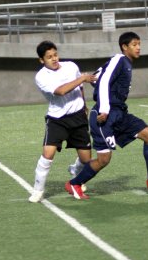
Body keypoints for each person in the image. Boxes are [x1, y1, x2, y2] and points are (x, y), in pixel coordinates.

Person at [65, 31, 148, 200]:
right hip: (105, 116)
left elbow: (96, 78)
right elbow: (102, 82)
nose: (138, 48)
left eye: (139, 44)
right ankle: (74, 183)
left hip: (120, 113)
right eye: (134, 45)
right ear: (124, 47)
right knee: (104, 160)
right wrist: (104, 108)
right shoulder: (119, 60)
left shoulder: (124, 63)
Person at [29, 41, 97, 202]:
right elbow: (60, 91)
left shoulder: (71, 66)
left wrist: (84, 104)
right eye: (49, 57)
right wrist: (82, 79)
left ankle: (75, 171)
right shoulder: (41, 76)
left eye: (55, 55)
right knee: (48, 154)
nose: (54, 59)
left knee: (86, 159)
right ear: (41, 60)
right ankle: (38, 190)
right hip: (57, 120)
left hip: (78, 117)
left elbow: (79, 87)